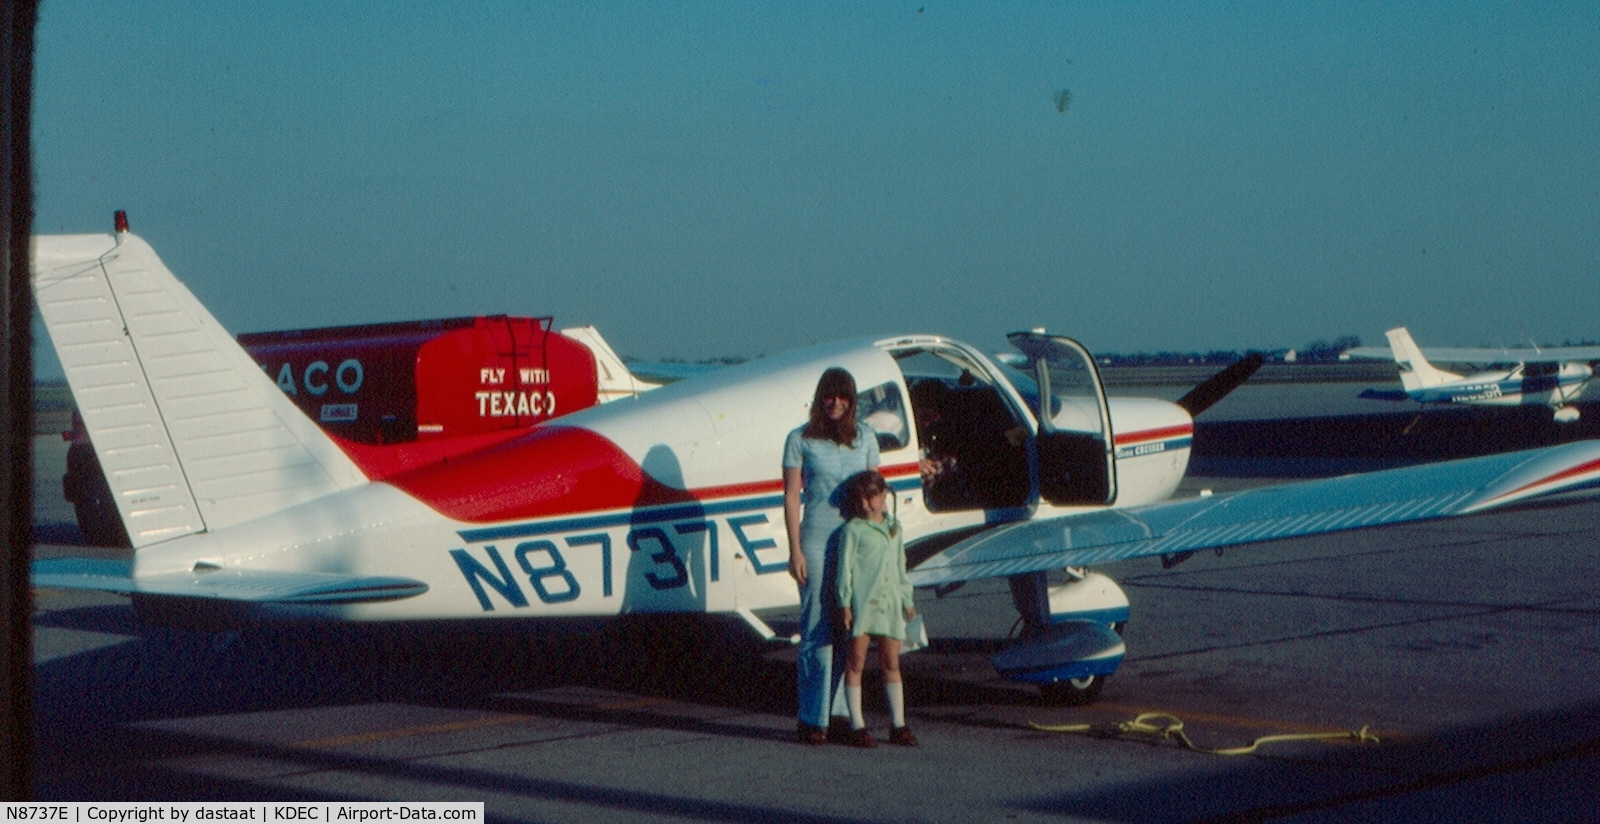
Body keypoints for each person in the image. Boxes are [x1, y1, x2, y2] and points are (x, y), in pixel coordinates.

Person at [784, 367, 880, 745]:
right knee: (817, 626)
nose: (836, 402)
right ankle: (811, 716)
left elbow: (875, 493)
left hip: (856, 541)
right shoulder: (799, 439)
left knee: (851, 628)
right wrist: (795, 550)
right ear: (820, 397)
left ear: (852, 400)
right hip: (817, 539)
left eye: (843, 396)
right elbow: (792, 495)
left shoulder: (866, 437)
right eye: (830, 395)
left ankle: (842, 713)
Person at [836, 469, 918, 747]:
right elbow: (844, 570)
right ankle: (857, 724)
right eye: (862, 498)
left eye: (873, 497)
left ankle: (899, 724)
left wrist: (907, 600)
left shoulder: (895, 528)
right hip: (864, 603)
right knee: (856, 661)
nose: (868, 504)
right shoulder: (853, 530)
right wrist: (844, 603)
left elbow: (900, 567)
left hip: (890, 602)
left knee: (891, 662)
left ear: (884, 495)